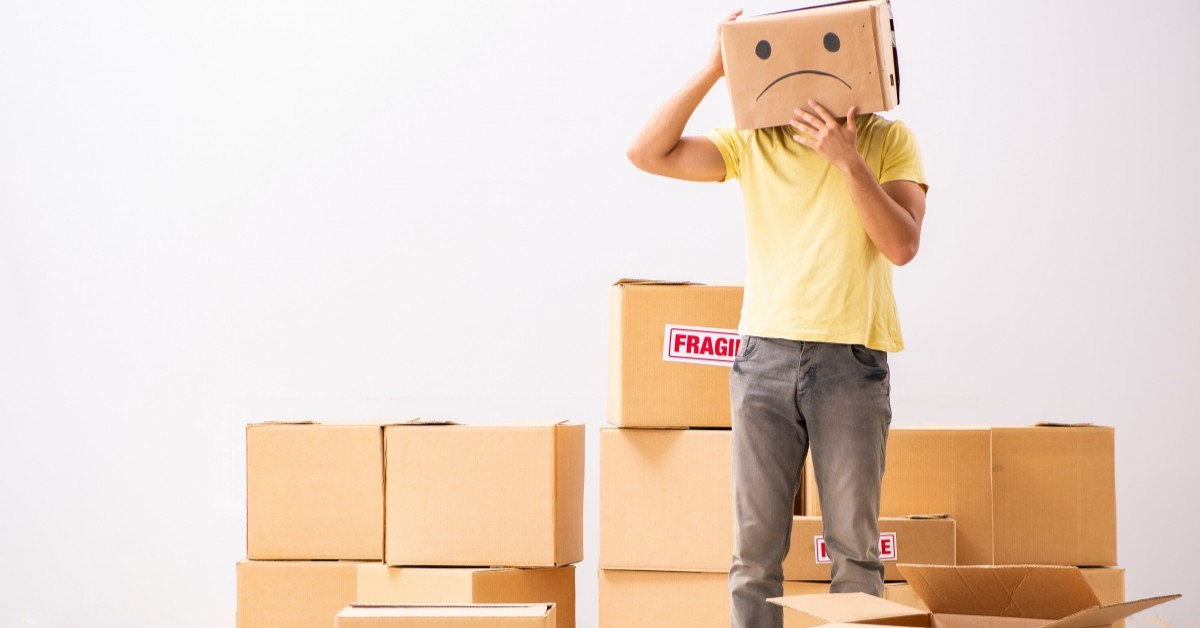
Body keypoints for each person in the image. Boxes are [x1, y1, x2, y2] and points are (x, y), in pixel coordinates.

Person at [626, 9, 929, 628]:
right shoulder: (754, 139)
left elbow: (901, 245)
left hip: (851, 361)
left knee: (855, 557)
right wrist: (714, 66)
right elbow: (646, 152)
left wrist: (847, 160)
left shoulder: (889, 139)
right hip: (763, 360)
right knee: (754, 557)